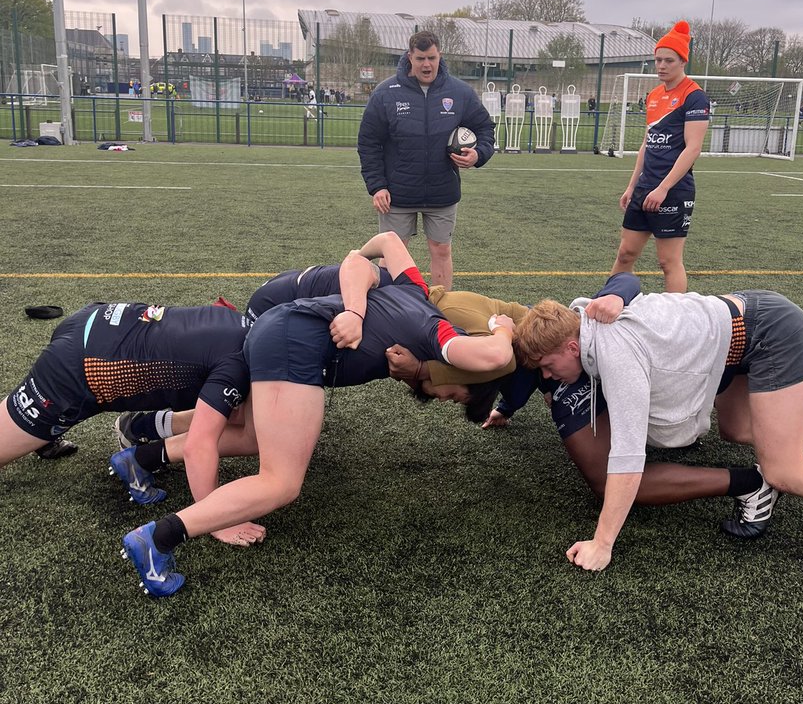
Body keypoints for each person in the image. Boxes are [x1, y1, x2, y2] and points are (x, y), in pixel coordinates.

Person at [120, 232, 517, 597]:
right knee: (281, 483)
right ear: (457, 371)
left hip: (284, 328)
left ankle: (141, 459)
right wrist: (503, 328)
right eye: (457, 397)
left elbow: (383, 244)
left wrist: (357, 308)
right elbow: (496, 354)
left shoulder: (414, 290)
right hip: (293, 344)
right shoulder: (437, 332)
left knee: (253, 439)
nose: (446, 399)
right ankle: (157, 538)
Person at [514, 291, 803, 571]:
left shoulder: (615, 353)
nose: (547, 377)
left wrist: (602, 542)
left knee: (785, 471)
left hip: (769, 334)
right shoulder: (588, 323)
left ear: (570, 346)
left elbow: (628, 456)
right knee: (739, 428)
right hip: (738, 335)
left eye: (547, 366)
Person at [0, 301, 264, 546]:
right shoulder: (237, 365)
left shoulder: (240, 323)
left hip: (98, 320)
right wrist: (216, 520)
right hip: (79, 366)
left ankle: (43, 435)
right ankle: (40, 429)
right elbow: (198, 446)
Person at [357, 30, 495, 290]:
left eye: (431, 57)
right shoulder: (386, 93)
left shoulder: (460, 92)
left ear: (439, 55)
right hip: (397, 194)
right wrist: (377, 186)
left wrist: (478, 155)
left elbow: (486, 129)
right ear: (410, 57)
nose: (426, 64)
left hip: (442, 191)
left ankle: (442, 311)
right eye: (420, 58)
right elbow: (368, 143)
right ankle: (391, 311)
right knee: (391, 255)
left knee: (441, 251)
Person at [611, 20, 710, 293]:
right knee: (625, 254)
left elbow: (693, 148)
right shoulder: (653, 95)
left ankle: (673, 322)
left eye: (668, 60)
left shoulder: (695, 97)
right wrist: (632, 186)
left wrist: (663, 188)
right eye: (658, 60)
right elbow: (647, 143)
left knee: (668, 262)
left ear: (682, 62)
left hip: (673, 191)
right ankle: (609, 305)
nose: (661, 66)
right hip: (644, 189)